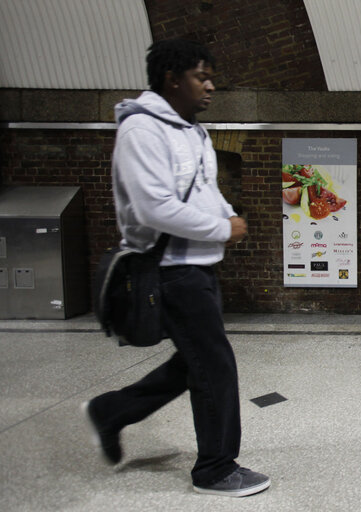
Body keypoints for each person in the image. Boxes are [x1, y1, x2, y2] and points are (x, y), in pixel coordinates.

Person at [81, 39, 269, 498]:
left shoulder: (192, 130)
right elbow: (153, 208)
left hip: (198, 266)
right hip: (170, 268)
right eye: (201, 77)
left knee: (193, 362)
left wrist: (226, 214)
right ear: (172, 78)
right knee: (215, 366)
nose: (209, 87)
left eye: (211, 78)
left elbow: (204, 188)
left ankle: (110, 412)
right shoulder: (142, 130)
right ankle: (215, 469)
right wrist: (221, 229)